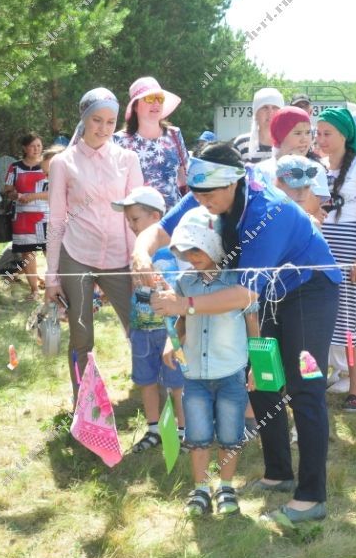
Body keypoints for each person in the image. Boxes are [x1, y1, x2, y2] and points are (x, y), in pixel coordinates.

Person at [137, 142, 340, 525]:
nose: (202, 204)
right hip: (271, 291)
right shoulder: (207, 189)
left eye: (208, 196)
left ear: (233, 184)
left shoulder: (268, 212)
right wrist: (140, 253)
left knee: (304, 387)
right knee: (262, 378)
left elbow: (245, 294)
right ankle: (279, 472)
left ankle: (312, 496)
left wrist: (185, 307)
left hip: (309, 289)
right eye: (196, 196)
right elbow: (160, 232)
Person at [45, 88, 144, 393]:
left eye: (110, 122)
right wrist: (51, 277)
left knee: (140, 327)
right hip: (77, 254)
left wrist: (140, 260)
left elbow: (139, 216)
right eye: (97, 120)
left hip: (120, 255)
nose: (103, 128)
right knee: (81, 334)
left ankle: (154, 393)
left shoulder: (128, 159)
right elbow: (57, 221)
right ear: (84, 119)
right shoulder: (63, 162)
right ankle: (84, 404)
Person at [164, 207, 258, 516]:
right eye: (185, 250)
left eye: (197, 248)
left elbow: (252, 325)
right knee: (198, 435)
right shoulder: (184, 282)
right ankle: (201, 489)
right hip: (195, 377)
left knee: (230, 435)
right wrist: (172, 344)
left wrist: (256, 365)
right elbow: (179, 321)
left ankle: (227, 488)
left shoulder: (236, 282)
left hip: (230, 373)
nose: (191, 256)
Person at [111, 186, 186, 454]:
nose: (130, 225)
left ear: (155, 217)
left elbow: (178, 291)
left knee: (177, 383)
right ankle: (154, 429)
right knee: (146, 381)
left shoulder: (173, 253)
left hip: (170, 332)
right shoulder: (136, 254)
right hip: (141, 330)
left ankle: (183, 431)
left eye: (135, 219)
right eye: (128, 220)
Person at [316, 107, 356, 411]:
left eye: (328, 133)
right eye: (319, 133)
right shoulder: (315, 166)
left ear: (344, 135)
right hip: (318, 249)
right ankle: (320, 378)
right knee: (320, 320)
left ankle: (355, 388)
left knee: (350, 323)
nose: (321, 139)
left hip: (349, 248)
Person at [114, 76, 188, 210]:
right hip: (137, 221)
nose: (156, 103)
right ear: (135, 106)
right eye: (149, 98)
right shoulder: (118, 141)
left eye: (160, 98)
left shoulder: (174, 134)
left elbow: (184, 176)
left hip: (173, 219)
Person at [254, 106, 330, 204]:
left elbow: (315, 209)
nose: (304, 139)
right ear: (280, 134)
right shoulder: (262, 170)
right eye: (298, 133)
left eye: (308, 132)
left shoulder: (315, 169)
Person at [4, 134, 48, 300]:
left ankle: (54, 288)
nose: (36, 149)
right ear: (24, 148)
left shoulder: (49, 166)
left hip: (46, 216)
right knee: (27, 254)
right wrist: (15, 195)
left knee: (50, 252)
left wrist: (34, 196)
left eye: (39, 145)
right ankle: (34, 291)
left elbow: (57, 191)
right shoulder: (14, 167)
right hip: (22, 217)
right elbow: (7, 190)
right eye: (32, 146)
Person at [233, 88, 283, 164]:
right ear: (255, 114)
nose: (270, 113)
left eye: (275, 107)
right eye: (264, 108)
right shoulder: (242, 143)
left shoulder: (288, 143)